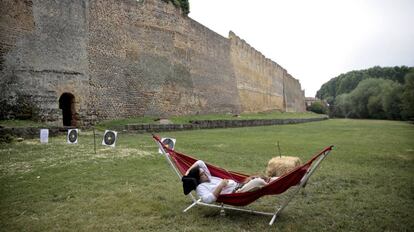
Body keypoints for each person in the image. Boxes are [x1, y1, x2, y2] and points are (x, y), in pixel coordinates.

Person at [181, 160, 277, 204]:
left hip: (240, 185)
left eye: (204, 172)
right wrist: (221, 186)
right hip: (237, 194)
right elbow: (208, 200)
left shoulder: (208, 177)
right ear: (197, 179)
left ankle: (278, 180)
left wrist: (187, 174)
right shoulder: (201, 187)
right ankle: (270, 185)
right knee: (258, 181)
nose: (205, 174)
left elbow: (200, 162)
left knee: (261, 177)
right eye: (202, 175)